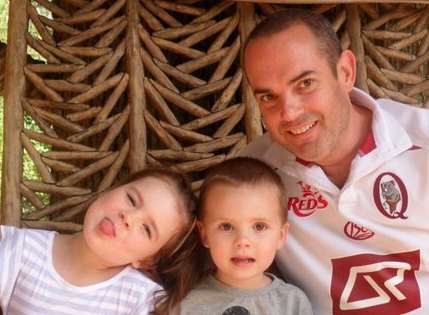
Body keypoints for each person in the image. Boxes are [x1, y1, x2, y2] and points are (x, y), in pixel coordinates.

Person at [241, 8, 429, 315]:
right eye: (268, 97)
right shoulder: (255, 176)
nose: (289, 113)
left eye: (305, 84)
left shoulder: (423, 144)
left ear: (345, 72)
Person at [0, 168, 196, 315]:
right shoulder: (19, 249)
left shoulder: (141, 300)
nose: (128, 217)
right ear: (112, 189)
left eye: (146, 229)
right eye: (131, 199)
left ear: (147, 260)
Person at [154, 157, 313, 315]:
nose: (242, 241)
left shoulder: (292, 302)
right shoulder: (185, 304)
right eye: (226, 226)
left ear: (281, 235)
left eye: (259, 226)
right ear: (205, 234)